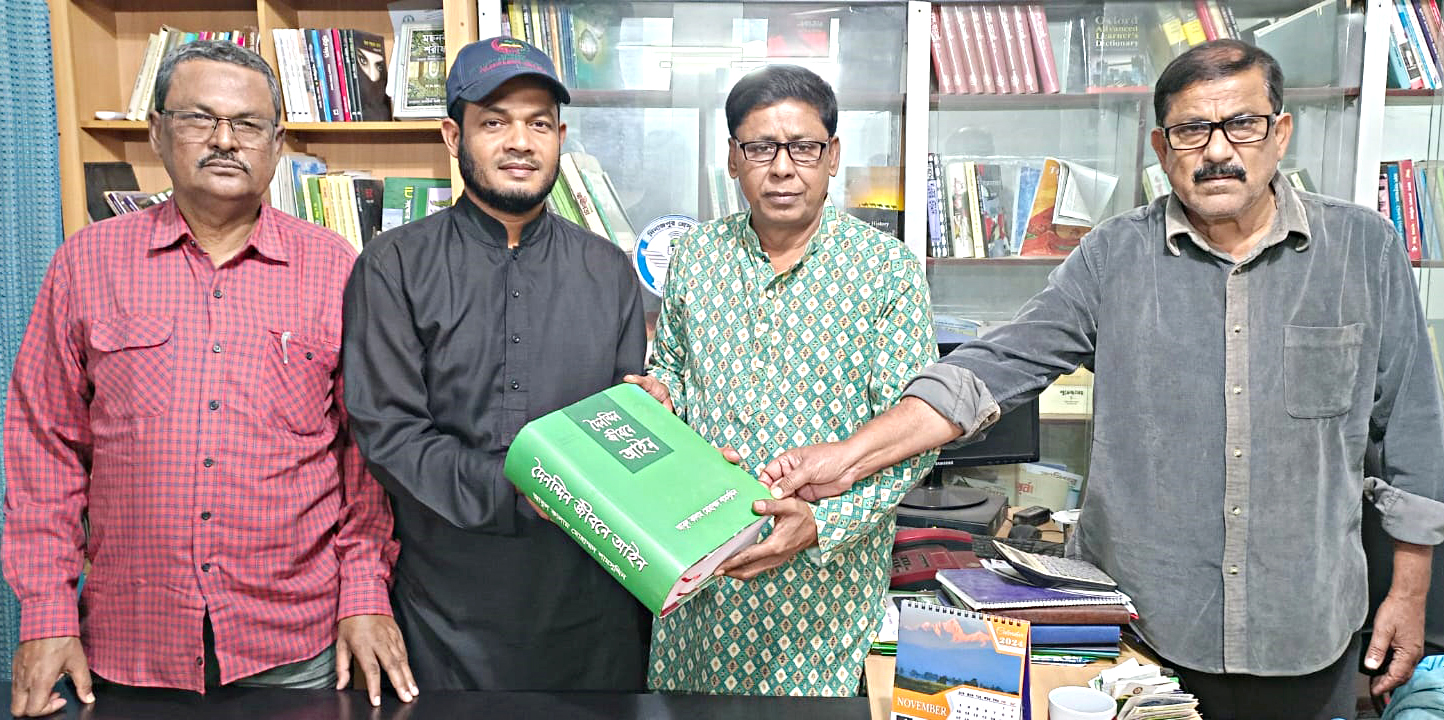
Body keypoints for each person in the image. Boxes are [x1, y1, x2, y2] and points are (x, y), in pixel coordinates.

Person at [759, 40, 1444, 720]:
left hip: (1307, 631)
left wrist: (1409, 595)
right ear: (1161, 147)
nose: (1217, 150)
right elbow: (992, 368)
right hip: (1141, 638)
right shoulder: (1114, 255)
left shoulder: (1365, 251)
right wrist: (847, 458)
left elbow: (1412, 434)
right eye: (1191, 130)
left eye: (1242, 124)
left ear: (1280, 131)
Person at [3, 40, 413, 717]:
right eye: (199, 118)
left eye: (248, 124)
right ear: (157, 131)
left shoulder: (334, 267)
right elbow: (45, 451)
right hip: (131, 645)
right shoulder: (86, 264)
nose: (225, 140)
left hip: (296, 645)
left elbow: (363, 456)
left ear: (276, 144)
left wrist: (364, 595)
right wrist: (47, 612)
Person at [341, 36, 650, 691]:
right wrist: (523, 491)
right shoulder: (393, 266)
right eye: (494, 122)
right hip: (445, 618)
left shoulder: (607, 270)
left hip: (592, 612)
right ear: (454, 135)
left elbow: (622, 426)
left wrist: (652, 427)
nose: (520, 142)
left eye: (538, 124)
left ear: (560, 137)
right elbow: (391, 436)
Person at [627, 64, 937, 696]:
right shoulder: (696, 256)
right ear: (733, 158)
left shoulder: (887, 270)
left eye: (804, 148)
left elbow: (915, 437)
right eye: (761, 148)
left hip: (823, 591)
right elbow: (676, 373)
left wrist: (826, 523)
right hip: (701, 570)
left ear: (833, 156)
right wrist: (659, 397)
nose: (783, 168)